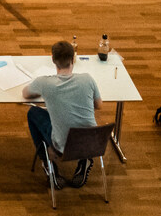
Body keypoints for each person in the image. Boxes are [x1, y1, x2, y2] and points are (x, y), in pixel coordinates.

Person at [22, 41, 103, 188]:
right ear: (73, 59)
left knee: (33, 112)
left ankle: (48, 163)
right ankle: (84, 160)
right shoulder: (88, 79)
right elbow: (99, 105)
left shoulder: (45, 83)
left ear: (53, 60)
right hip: (91, 143)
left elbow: (25, 94)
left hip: (63, 147)